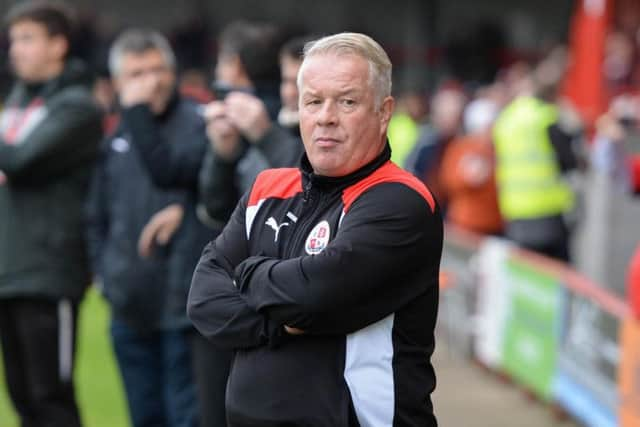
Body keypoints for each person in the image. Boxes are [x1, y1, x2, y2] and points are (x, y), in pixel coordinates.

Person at [188, 32, 443, 426]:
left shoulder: (400, 201)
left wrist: (247, 272)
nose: (326, 116)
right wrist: (280, 323)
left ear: (384, 111)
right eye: (313, 101)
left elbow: (314, 293)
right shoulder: (266, 187)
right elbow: (203, 300)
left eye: (347, 101)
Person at [86, 29, 201, 427]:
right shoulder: (116, 135)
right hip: (128, 302)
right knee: (143, 416)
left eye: (158, 69)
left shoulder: (198, 124)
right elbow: (98, 214)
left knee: (186, 417)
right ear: (118, 84)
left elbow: (215, 192)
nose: (151, 81)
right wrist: (104, 273)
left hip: (183, 302)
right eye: (137, 73)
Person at [0, 2, 103, 426]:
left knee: (49, 396)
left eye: (27, 39)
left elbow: (22, 160)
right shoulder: (17, 100)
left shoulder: (78, 106)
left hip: (48, 269)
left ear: (58, 45)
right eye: (12, 41)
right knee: (22, 396)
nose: (15, 50)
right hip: (10, 267)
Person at [198, 21, 303, 225]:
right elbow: (217, 209)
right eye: (286, 81)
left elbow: (315, 188)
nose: (290, 92)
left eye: (299, 82)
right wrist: (222, 155)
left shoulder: (269, 126)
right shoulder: (234, 118)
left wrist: (266, 136)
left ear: (234, 64)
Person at [493, 48, 579, 262]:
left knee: (527, 276)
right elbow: (570, 162)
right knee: (557, 277)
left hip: (515, 210)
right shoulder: (546, 117)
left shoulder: (504, 119)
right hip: (548, 211)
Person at [439, 96, 503, 235]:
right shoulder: (461, 148)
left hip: (495, 223)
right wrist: (468, 178)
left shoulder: (498, 148)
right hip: (466, 225)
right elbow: (448, 181)